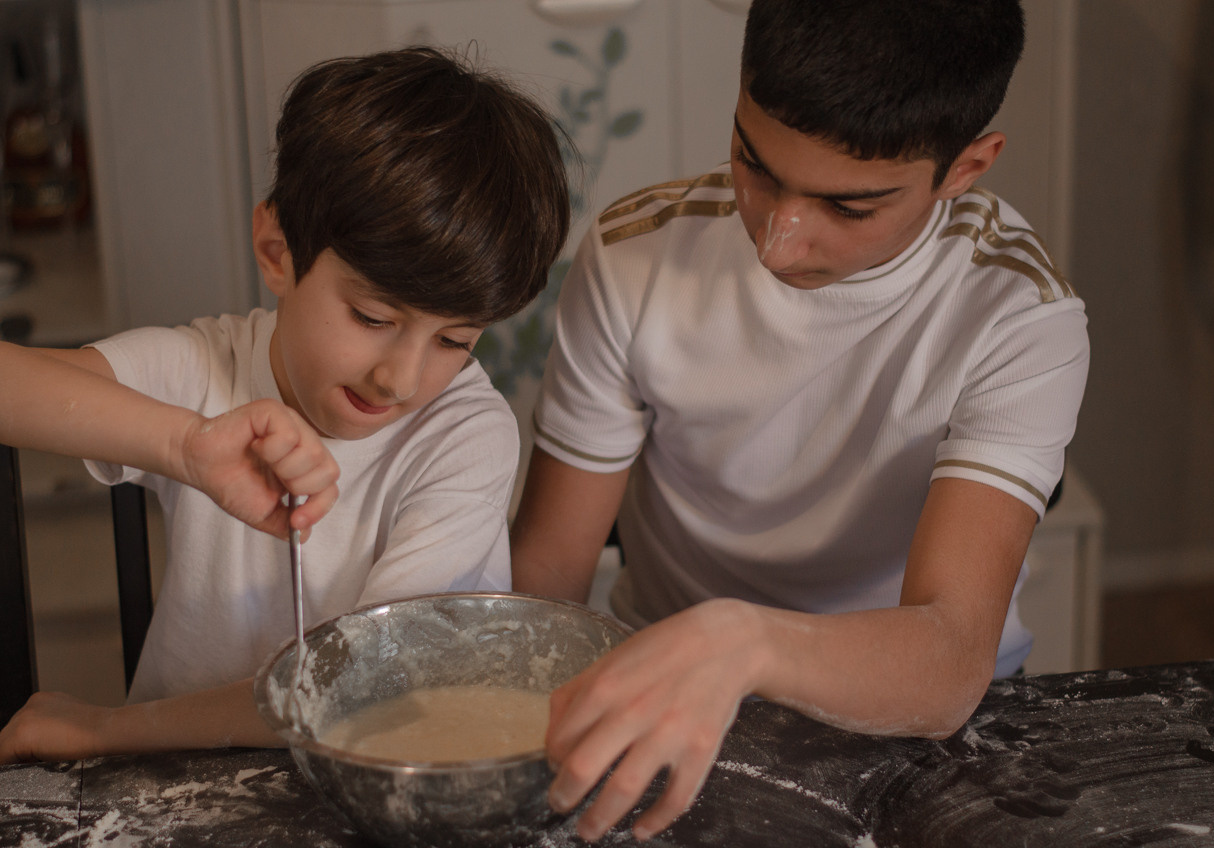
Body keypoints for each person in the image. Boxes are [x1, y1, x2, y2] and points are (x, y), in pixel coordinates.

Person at [511, 0, 1088, 841]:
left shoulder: (1018, 317)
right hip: (661, 685)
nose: (778, 241)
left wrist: (740, 643)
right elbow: (547, 578)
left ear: (966, 167)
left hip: (919, 722)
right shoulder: (635, 256)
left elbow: (952, 654)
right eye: (755, 162)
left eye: (849, 210)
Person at [0, 46, 570, 763]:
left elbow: (360, 688)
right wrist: (183, 444)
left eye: (454, 340)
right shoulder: (208, 368)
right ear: (276, 250)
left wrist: (104, 731)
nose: (401, 378)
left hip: (366, 779)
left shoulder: (463, 432)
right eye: (371, 317)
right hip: (180, 781)